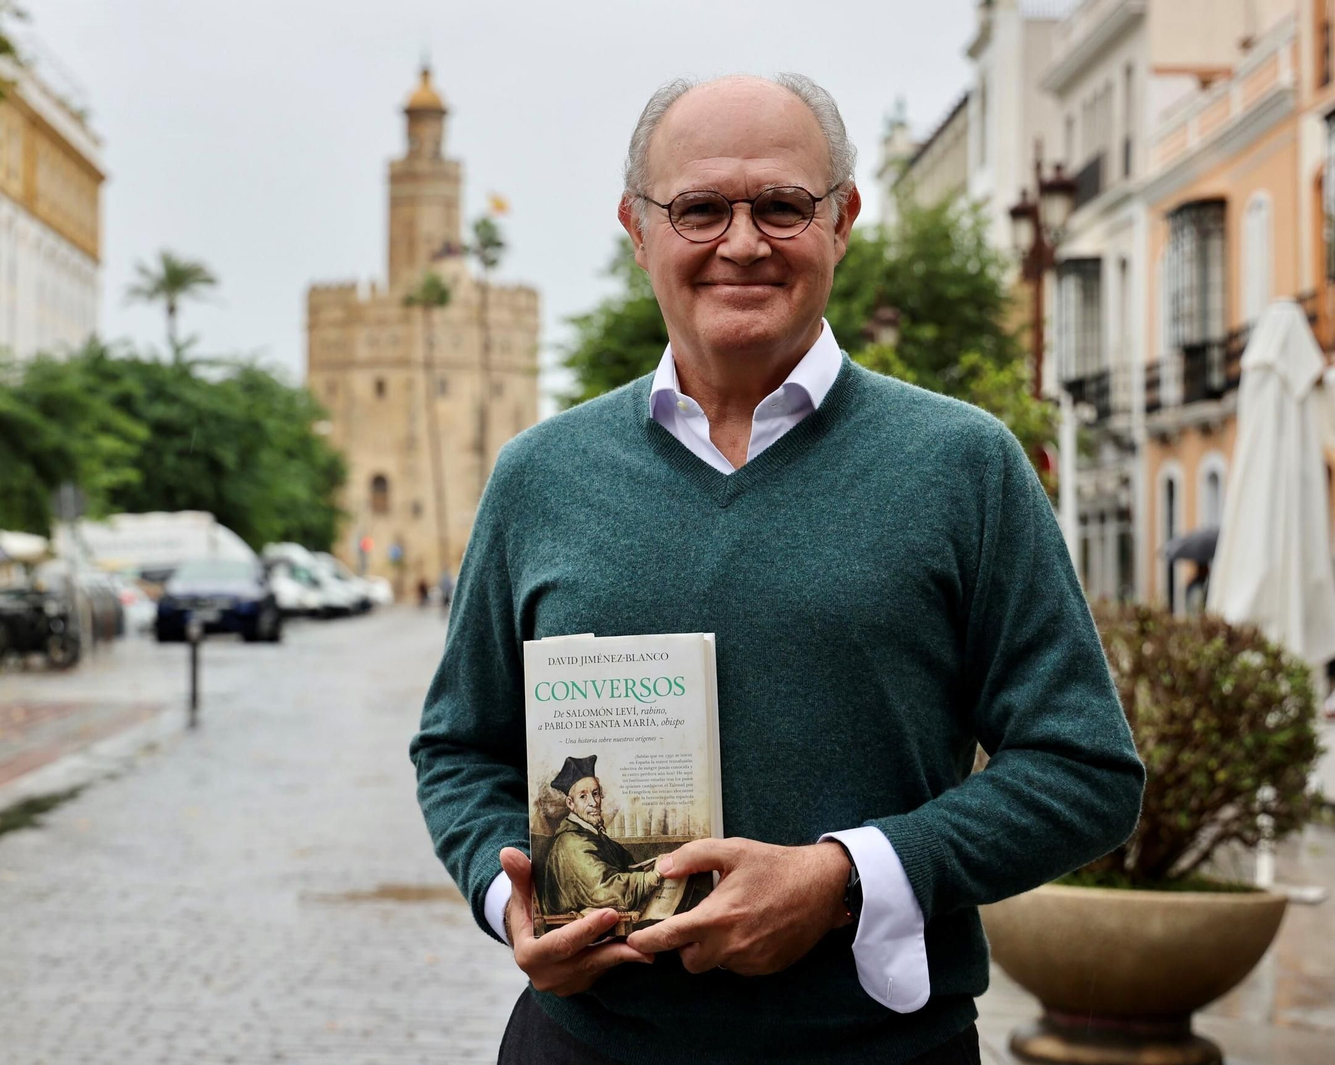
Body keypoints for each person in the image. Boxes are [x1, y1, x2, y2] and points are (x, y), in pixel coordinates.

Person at [411, 73, 1144, 1065]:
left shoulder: (962, 467)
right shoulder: (541, 476)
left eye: (783, 206)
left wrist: (848, 876)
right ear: (637, 229)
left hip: (877, 1051)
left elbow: (1086, 770)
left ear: (841, 221)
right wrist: (511, 901)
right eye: (701, 209)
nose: (742, 243)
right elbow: (458, 746)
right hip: (582, 1046)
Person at [538, 756, 663, 918]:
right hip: (576, 932)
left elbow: (630, 866)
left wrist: (656, 866)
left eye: (595, 794)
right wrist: (653, 877)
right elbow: (603, 890)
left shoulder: (596, 836)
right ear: (570, 803)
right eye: (583, 796)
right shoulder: (571, 843)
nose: (593, 802)